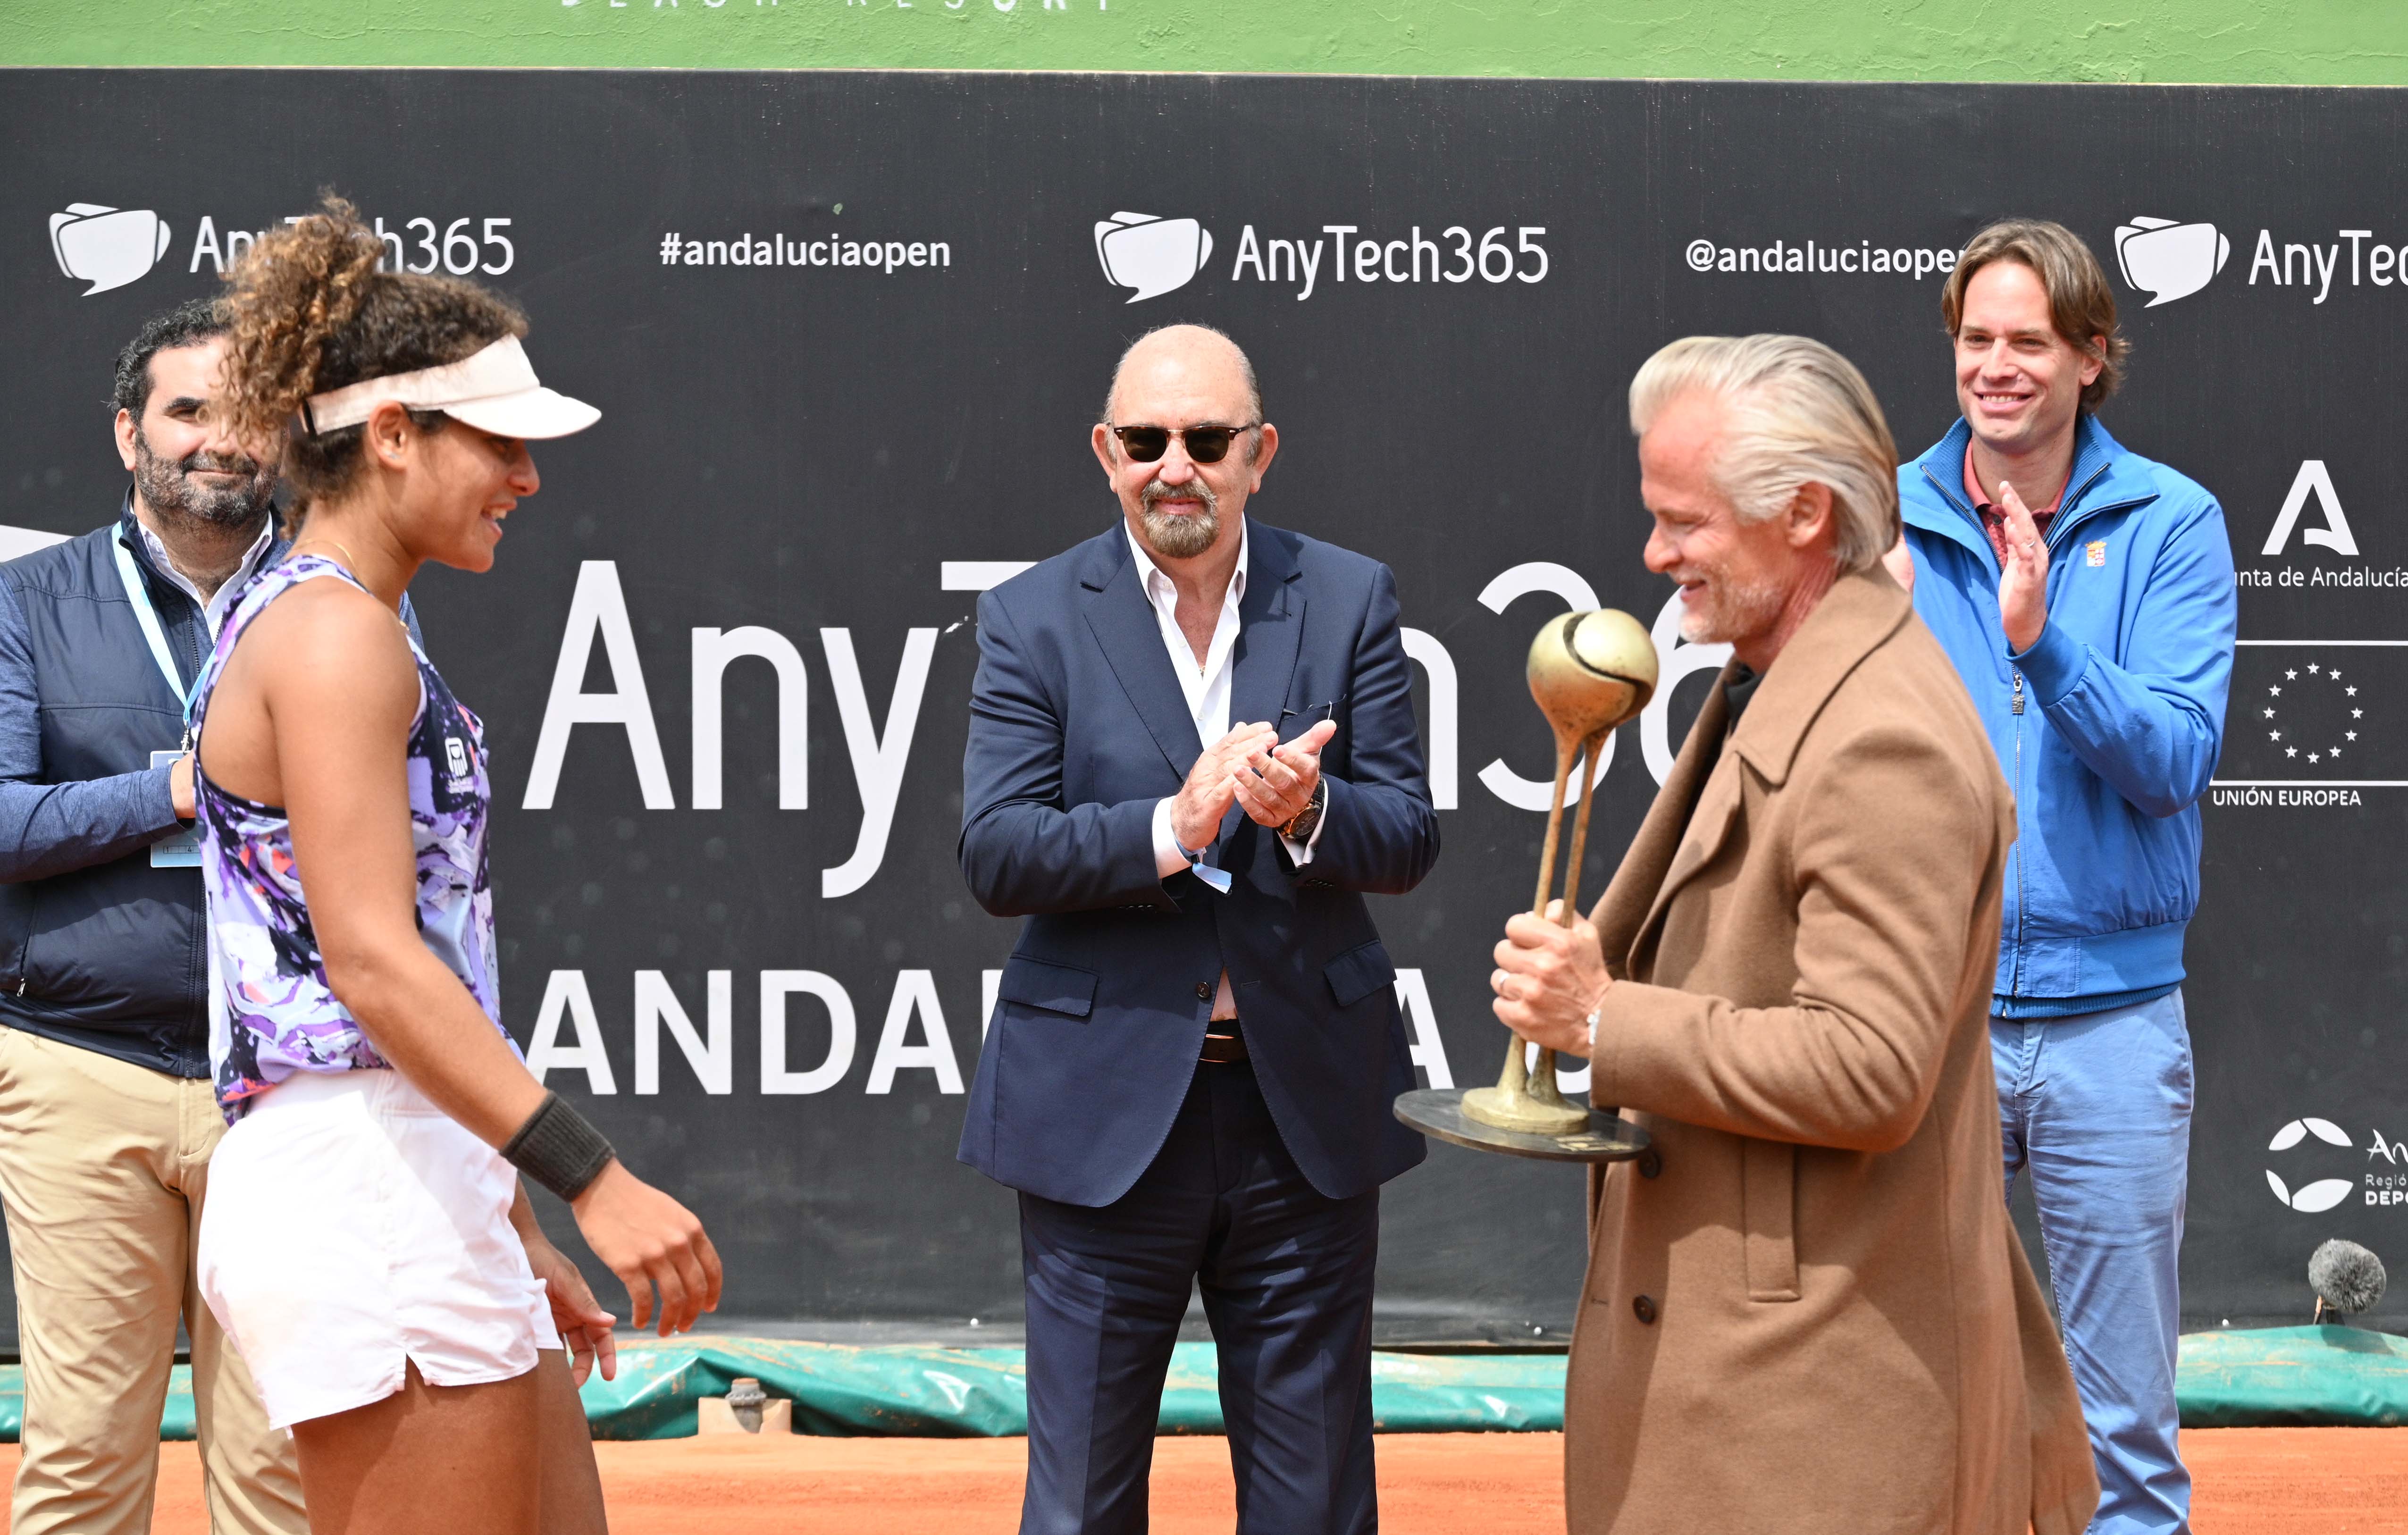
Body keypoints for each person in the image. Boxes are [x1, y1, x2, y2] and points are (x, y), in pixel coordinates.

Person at [1491, 334, 2098, 1534]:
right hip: (1757, 1389)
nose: (1655, 553)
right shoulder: (1773, 677)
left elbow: (1869, 1069)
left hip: (1814, 1414)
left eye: (1685, 522)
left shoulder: (1883, 735)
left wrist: (1603, 1020)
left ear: (1804, 515)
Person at [186, 198, 722, 1535]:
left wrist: (507, 1214)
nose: (527, 476)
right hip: (358, 1175)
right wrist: (588, 1175)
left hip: (413, 1162)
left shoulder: (353, 620)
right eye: (502, 442)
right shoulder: (332, 637)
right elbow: (370, 957)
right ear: (390, 437)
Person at [958, 323, 1438, 1535]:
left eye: (1207, 440)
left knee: (1315, 1498)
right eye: (1146, 441)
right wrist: (1173, 824)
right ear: (1104, 453)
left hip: (1301, 1124)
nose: (1176, 466)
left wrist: (1309, 810)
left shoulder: (1344, 595)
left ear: (1258, 453)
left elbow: (1408, 831)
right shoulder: (1029, 618)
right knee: (1078, 1503)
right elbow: (997, 849)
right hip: (1101, 1114)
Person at [1889, 219, 2235, 1535]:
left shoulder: (2171, 522)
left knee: (2122, 1429)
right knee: (1919, 1391)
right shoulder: (1890, 519)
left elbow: (2172, 759)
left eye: (2029, 340)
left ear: (2093, 355)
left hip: (2112, 1025)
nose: (1997, 365)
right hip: (1934, 1022)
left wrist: (2043, 649)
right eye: (1977, 338)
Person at [0, 299, 307, 1535]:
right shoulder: (29, 601)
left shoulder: (334, 602)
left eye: (247, 414)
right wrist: (177, 785)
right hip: (82, 1069)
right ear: (131, 434)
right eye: (188, 410)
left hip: (283, 1084)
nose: (218, 438)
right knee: (82, 1460)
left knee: (282, 1463)